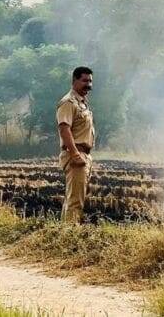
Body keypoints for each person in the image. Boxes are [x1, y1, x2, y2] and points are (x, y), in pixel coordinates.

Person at [56, 66, 95, 224]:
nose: (88, 84)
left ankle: (65, 234)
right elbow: (64, 129)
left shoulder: (83, 103)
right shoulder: (68, 102)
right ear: (74, 81)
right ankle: (69, 236)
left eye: (90, 81)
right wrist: (75, 154)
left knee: (74, 198)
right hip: (76, 155)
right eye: (85, 80)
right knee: (75, 202)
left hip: (84, 154)